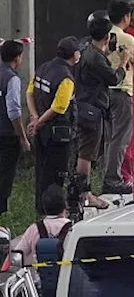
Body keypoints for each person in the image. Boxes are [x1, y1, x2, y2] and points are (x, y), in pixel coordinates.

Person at [74, 17, 122, 210]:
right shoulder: (95, 57)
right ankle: (84, 193)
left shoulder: (88, 50)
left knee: (91, 151)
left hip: (87, 106)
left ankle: (84, 191)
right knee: (87, 153)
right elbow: (113, 78)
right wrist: (122, 64)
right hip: (92, 110)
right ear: (106, 36)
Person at [27, 38, 79, 214]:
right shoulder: (66, 78)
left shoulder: (43, 68)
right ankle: (54, 214)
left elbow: (30, 93)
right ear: (74, 55)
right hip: (57, 133)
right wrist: (39, 121)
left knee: (42, 172)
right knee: (56, 175)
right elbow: (59, 107)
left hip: (41, 133)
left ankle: (41, 211)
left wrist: (35, 118)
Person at [103, 1, 134, 195]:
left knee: (109, 138)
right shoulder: (127, 39)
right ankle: (114, 179)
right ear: (126, 17)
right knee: (121, 139)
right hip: (123, 90)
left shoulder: (105, 37)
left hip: (105, 92)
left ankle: (109, 175)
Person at [15, 186, 71, 289]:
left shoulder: (34, 229)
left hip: (41, 287)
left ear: (44, 208)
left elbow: (17, 255)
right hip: (68, 286)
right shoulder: (73, 228)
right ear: (65, 206)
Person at [0, 41, 27, 215]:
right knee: (4, 177)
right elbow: (14, 112)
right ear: (18, 58)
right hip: (7, 136)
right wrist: (22, 138)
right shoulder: (12, 78)